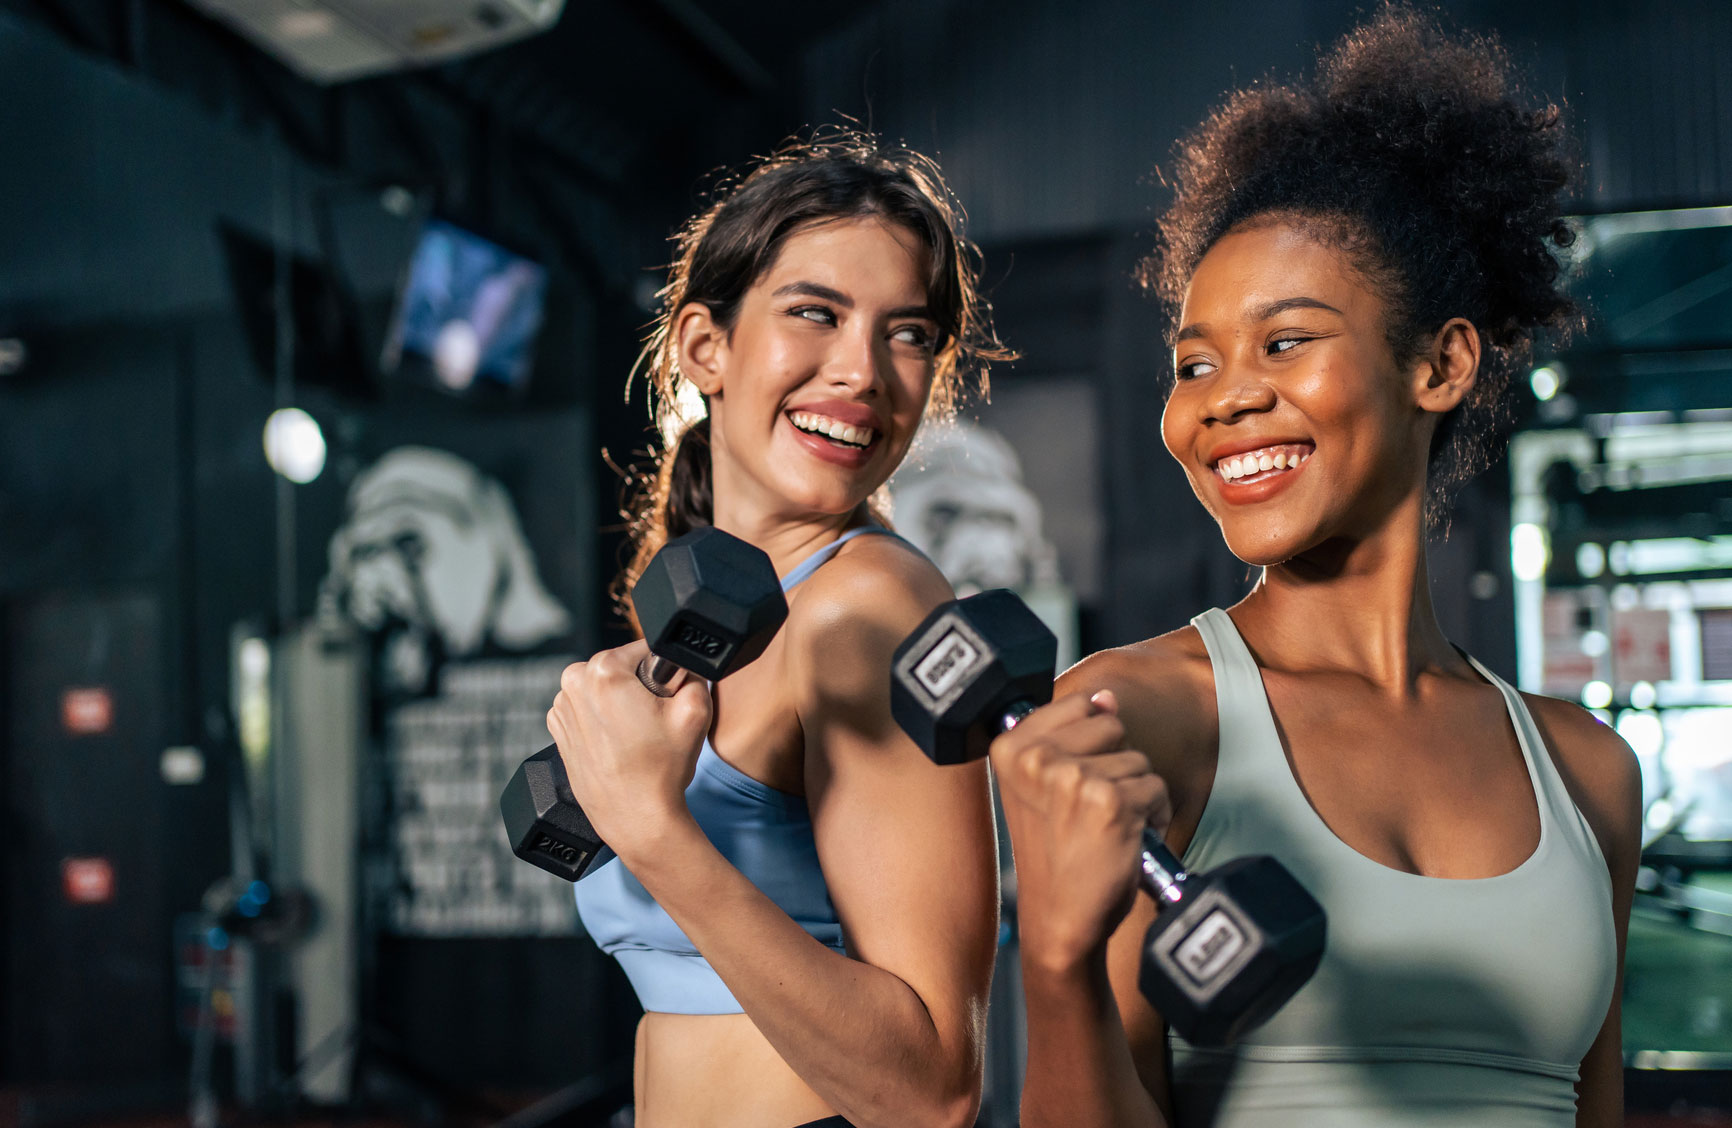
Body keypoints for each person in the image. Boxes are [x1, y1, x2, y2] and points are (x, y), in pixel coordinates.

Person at [990, 8, 1640, 1128]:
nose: (1224, 397)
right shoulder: (1137, 717)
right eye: (1193, 363)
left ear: (1439, 364)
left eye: (1284, 341)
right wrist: (1052, 959)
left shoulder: (1588, 772)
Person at [544, 131, 1010, 1128]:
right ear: (704, 346)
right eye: (815, 313)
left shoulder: (867, 605)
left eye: (908, 333)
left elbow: (933, 1088)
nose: (862, 371)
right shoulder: (709, 605)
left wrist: (654, 831)